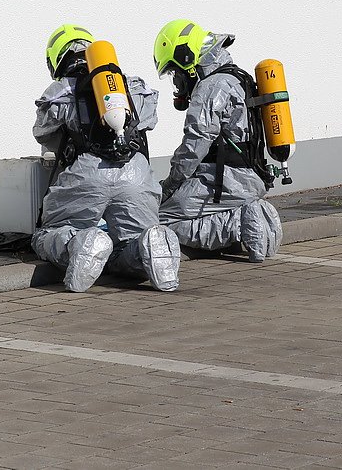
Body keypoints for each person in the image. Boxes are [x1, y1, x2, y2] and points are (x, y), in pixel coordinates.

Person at [31, 24, 181, 292]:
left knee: (47, 233)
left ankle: (81, 242)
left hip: (87, 171)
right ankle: (148, 243)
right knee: (131, 241)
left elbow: (42, 133)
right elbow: (149, 120)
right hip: (135, 171)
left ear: (58, 58)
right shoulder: (128, 85)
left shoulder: (61, 90)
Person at [153, 19, 283, 262]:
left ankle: (238, 223)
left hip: (226, 180)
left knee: (158, 219)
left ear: (188, 62)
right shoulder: (237, 77)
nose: (176, 81)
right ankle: (253, 218)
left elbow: (195, 144)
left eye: (175, 72)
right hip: (249, 176)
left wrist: (170, 184)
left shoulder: (210, 87)